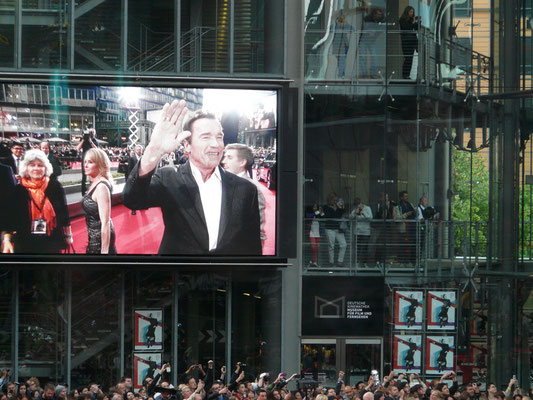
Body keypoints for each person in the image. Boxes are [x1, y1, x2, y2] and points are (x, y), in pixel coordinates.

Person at [123, 100, 261, 255]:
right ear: (187, 145)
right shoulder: (169, 177)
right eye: (206, 137)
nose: (216, 144)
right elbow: (132, 200)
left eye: (219, 137)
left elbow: (253, 248)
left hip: (227, 277)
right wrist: (154, 150)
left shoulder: (246, 189)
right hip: (178, 276)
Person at [3, 149, 73, 254]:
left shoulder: (55, 186)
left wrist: (68, 235)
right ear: (26, 168)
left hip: (51, 241)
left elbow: (64, 213)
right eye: (32, 165)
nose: (36, 168)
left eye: (40, 165)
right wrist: (7, 239)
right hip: (25, 242)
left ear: (45, 168)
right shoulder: (19, 189)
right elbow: (10, 216)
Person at [221, 143, 267, 248]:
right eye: (224, 157)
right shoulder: (220, 183)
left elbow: (257, 230)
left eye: (229, 158)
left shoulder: (253, 189)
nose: (224, 161)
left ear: (242, 162)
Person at [82, 148, 116, 254]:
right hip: (94, 236)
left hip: (100, 239)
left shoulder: (101, 187)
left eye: (90, 162)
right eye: (85, 162)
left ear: (100, 164)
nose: (86, 165)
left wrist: (104, 251)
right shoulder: (95, 182)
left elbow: (105, 222)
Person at [359, 8, 385, 78]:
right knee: (362, 57)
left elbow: (381, 30)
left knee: (374, 57)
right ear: (374, 14)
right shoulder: (368, 18)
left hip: (371, 40)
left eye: (380, 14)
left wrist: (375, 32)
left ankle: (373, 74)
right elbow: (366, 28)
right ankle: (365, 75)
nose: (379, 16)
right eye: (378, 14)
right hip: (364, 39)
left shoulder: (381, 20)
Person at [322, 192, 347, 267]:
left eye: (336, 200)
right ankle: (331, 262)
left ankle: (340, 261)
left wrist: (341, 207)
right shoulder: (325, 207)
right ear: (330, 200)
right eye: (334, 200)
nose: (335, 202)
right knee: (331, 246)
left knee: (343, 244)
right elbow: (331, 216)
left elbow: (341, 214)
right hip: (329, 228)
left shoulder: (338, 207)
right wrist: (337, 209)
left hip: (338, 228)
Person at [350, 197, 373, 265]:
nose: (357, 206)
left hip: (366, 232)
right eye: (356, 205)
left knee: (365, 247)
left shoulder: (367, 208)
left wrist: (363, 213)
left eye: (358, 204)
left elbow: (370, 217)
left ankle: (364, 263)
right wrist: (354, 213)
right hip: (357, 231)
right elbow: (350, 217)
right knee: (357, 248)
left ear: (361, 203)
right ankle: (357, 263)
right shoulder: (355, 209)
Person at [396, 191, 417, 264]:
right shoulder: (398, 206)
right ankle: (401, 262)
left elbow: (416, 214)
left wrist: (416, 212)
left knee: (409, 246)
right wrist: (406, 214)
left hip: (411, 228)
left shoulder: (410, 204)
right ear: (401, 197)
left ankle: (408, 262)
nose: (407, 198)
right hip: (403, 229)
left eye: (407, 196)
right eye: (405, 196)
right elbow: (397, 218)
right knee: (402, 246)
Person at [76, 128, 98, 195]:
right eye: (91, 132)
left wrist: (90, 141)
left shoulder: (94, 140)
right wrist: (83, 139)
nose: (92, 133)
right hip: (85, 158)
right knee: (84, 175)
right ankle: (83, 191)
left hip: (92, 158)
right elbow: (77, 148)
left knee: (93, 174)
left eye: (93, 132)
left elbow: (96, 149)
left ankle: (92, 189)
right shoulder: (84, 140)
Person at [399, 6, 419, 79]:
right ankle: (405, 75)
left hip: (412, 41)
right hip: (406, 41)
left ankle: (408, 75)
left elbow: (416, 28)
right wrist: (413, 23)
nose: (412, 13)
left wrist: (417, 22)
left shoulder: (411, 19)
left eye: (413, 12)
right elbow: (406, 28)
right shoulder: (402, 19)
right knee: (407, 58)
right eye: (411, 12)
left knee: (411, 58)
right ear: (407, 12)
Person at [305, 202, 324, 267]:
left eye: (316, 207)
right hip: (311, 232)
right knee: (313, 247)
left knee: (317, 248)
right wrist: (316, 213)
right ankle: (312, 260)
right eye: (314, 207)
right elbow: (308, 216)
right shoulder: (311, 213)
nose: (315, 208)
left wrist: (321, 213)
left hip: (318, 232)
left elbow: (323, 217)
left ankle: (314, 261)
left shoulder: (318, 213)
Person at [127, 144, 144, 215]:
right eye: (137, 150)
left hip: (142, 178)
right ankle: (133, 208)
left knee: (141, 192)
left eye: (140, 150)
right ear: (135, 150)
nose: (139, 151)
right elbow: (129, 169)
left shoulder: (144, 158)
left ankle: (141, 206)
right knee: (133, 194)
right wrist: (130, 178)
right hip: (134, 178)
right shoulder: (132, 158)